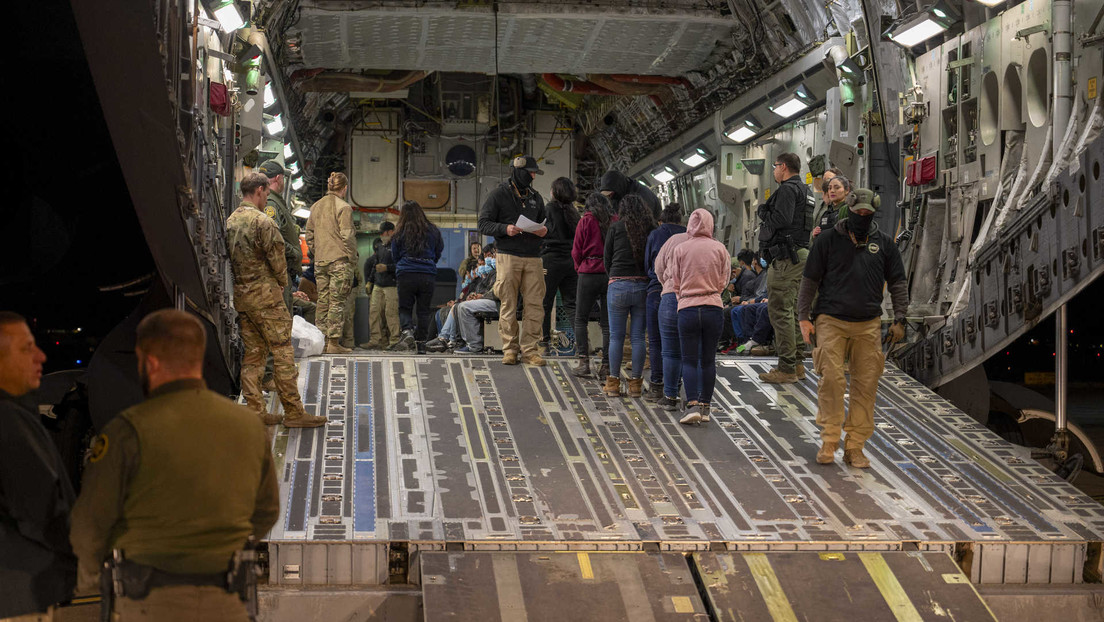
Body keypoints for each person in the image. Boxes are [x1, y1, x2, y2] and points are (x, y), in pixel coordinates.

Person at [70, 310, 281, 621]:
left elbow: (90, 524)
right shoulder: (248, 426)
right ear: (197, 357)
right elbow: (266, 512)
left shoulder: (127, 431)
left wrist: (88, 582)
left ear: (150, 362)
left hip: (150, 604)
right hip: (226, 602)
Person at [798, 189, 908, 469]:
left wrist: (900, 318)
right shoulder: (827, 241)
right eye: (857, 212)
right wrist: (804, 318)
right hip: (830, 320)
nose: (861, 217)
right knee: (832, 380)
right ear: (849, 209)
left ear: (873, 213)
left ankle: (855, 446)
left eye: (866, 213)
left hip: (868, 324)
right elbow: (809, 280)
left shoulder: (884, 244)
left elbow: (897, 282)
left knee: (866, 385)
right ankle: (829, 440)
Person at [225, 173, 326, 428]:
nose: (267, 198)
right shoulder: (263, 222)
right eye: (266, 194)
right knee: (282, 353)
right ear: (259, 190)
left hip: (244, 298)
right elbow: (278, 261)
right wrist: (282, 282)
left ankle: (255, 410)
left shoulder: (231, 221)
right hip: (267, 299)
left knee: (253, 356)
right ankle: (294, 412)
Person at [0, 313, 76, 620]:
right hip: (20, 592)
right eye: (26, 348)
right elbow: (40, 509)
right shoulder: (9, 420)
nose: (41, 357)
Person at [478, 155, 548, 366]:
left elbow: (545, 223)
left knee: (535, 305)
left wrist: (545, 230)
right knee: (508, 303)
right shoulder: (498, 195)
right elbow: (483, 223)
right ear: (519, 172)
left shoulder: (536, 197)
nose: (534, 176)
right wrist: (504, 229)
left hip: (533, 258)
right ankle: (509, 350)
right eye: (531, 172)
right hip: (508, 256)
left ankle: (530, 351)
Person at [667, 210, 731, 425]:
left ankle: (692, 404)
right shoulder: (720, 248)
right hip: (713, 306)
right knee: (708, 360)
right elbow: (724, 279)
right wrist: (712, 292)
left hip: (688, 308)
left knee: (689, 359)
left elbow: (674, 280)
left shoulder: (680, 249)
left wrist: (684, 295)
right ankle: (705, 407)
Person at [757, 152, 815, 384]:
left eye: (775, 167)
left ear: (783, 167)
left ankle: (787, 367)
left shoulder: (788, 190)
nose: (773, 171)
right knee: (791, 311)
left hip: (786, 258)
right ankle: (797, 363)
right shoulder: (806, 190)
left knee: (780, 311)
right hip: (800, 255)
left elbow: (781, 219)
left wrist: (763, 211)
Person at [603, 195, 656, 397]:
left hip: (618, 284)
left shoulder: (615, 228)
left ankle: (613, 384)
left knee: (616, 336)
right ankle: (635, 385)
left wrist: (615, 277)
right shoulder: (649, 230)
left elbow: (606, 259)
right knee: (637, 337)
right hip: (642, 286)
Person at [305, 172, 358, 354]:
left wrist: (317, 251)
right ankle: (334, 343)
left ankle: (321, 341)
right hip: (339, 261)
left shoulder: (316, 207)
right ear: (344, 188)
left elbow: (309, 235)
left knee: (322, 301)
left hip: (320, 261)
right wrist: (352, 258)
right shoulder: (344, 208)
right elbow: (348, 236)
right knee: (337, 302)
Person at [642, 203, 685, 401]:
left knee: (658, 343)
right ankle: (676, 386)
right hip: (687, 295)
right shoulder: (689, 236)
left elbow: (651, 266)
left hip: (658, 291)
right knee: (683, 343)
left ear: (661, 220)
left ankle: (657, 386)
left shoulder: (656, 235)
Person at [570, 193, 614, 378]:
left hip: (588, 273)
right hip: (608, 274)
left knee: (581, 319)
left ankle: (584, 363)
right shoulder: (615, 221)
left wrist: (580, 267)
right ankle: (606, 366)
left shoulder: (585, 221)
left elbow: (576, 250)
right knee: (607, 324)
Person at [391, 200, 444, 353]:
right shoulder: (433, 230)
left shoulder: (399, 231)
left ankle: (407, 331)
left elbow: (395, 255)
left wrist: (403, 264)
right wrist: (429, 263)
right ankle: (421, 344)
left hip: (406, 273)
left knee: (405, 308)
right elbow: (438, 250)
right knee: (423, 310)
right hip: (427, 274)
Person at [652, 221, 692, 412]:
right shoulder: (714, 244)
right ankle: (693, 400)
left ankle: (670, 396)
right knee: (694, 352)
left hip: (670, 298)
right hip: (697, 300)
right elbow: (723, 276)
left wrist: (667, 285)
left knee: (669, 351)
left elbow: (658, 267)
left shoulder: (674, 240)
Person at [540, 177, 580, 351]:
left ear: (554, 192)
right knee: (572, 304)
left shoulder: (548, 209)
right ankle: (582, 344)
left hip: (551, 261)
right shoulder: (574, 213)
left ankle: (544, 342)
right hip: (571, 262)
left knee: (545, 302)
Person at [258, 160, 302, 310]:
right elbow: (271, 236)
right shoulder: (271, 203)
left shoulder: (274, 202)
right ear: (278, 178)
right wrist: (294, 252)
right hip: (278, 274)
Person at [365, 221, 400, 350]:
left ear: (391, 232)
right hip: (378, 285)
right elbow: (375, 265)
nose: (382, 236)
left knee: (390, 313)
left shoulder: (398, 246)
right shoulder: (380, 247)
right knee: (374, 312)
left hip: (392, 285)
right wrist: (370, 281)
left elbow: (402, 266)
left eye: (384, 233)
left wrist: (387, 268)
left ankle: (394, 340)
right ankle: (376, 340)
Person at [813, 173, 852, 240]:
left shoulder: (849, 210)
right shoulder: (827, 212)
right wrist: (814, 235)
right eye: (829, 188)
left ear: (847, 190)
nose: (832, 191)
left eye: (837, 188)